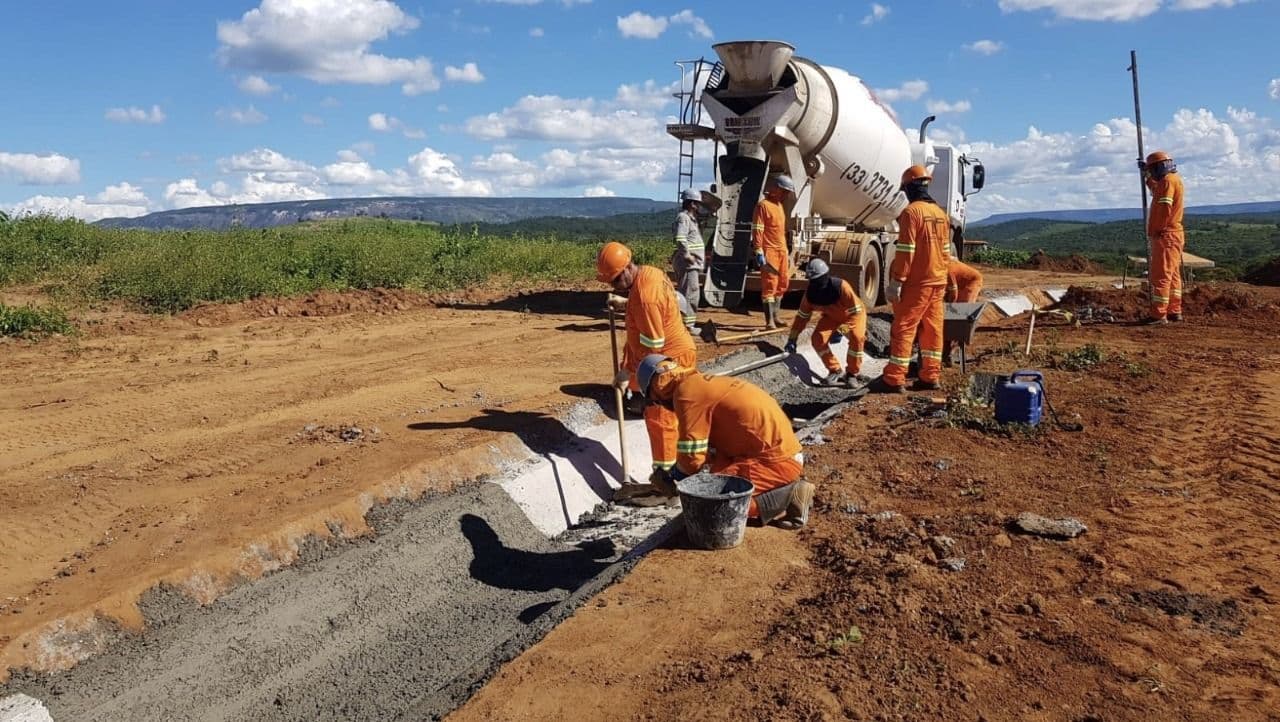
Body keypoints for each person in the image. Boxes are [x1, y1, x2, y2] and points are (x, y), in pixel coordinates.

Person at [635, 354, 814, 529]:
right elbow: (706, 450)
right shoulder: (699, 384)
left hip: (776, 461)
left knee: (710, 505)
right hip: (780, 452)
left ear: (656, 386)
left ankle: (791, 495)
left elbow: (692, 456)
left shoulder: (685, 393)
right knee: (714, 473)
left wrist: (674, 477)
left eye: (654, 399)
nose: (659, 404)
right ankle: (779, 489)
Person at [596, 241, 698, 483]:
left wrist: (628, 373)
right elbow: (658, 308)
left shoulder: (644, 297)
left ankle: (666, 481)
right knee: (677, 416)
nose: (614, 286)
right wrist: (626, 304)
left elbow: (653, 348)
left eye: (616, 281)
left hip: (666, 362)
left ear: (628, 269)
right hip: (676, 355)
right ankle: (682, 472)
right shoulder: (650, 273)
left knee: (661, 420)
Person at [880, 165, 951, 393]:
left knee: (904, 328)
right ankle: (930, 376)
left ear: (910, 188)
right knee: (933, 330)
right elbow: (946, 252)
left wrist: (897, 281)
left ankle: (894, 379)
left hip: (917, 283)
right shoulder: (941, 214)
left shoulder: (911, 213)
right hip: (937, 282)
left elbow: (906, 250)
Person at [783, 258, 868, 387]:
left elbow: (855, 312)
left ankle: (852, 374)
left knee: (857, 338)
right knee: (818, 339)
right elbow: (801, 318)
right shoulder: (810, 295)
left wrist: (842, 330)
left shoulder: (841, 287)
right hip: (832, 316)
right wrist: (792, 339)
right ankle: (835, 370)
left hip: (853, 314)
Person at [1140, 150, 1186, 324]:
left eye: (1152, 170)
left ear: (1159, 167)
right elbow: (1155, 189)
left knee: (1160, 275)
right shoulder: (1171, 180)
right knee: (1172, 275)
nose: (1152, 173)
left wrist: (1157, 230)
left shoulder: (1167, 181)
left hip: (1166, 235)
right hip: (1173, 234)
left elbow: (1164, 208)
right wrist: (1146, 177)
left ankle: (1159, 315)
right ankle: (1174, 311)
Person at [753, 174, 794, 330]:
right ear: (775, 189)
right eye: (784, 191)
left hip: (781, 250)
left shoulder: (779, 206)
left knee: (783, 283)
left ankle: (776, 317)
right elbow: (758, 229)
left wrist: (786, 251)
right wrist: (758, 250)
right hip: (769, 251)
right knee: (770, 284)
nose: (785, 195)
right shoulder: (763, 206)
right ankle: (769, 321)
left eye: (787, 192)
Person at [672, 188, 705, 331]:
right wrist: (687, 256)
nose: (700, 206)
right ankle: (687, 326)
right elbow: (680, 238)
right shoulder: (683, 218)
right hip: (688, 263)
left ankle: (686, 324)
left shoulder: (691, 220)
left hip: (691, 263)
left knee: (690, 293)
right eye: (698, 203)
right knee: (689, 294)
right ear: (692, 204)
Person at [943, 259, 984, 366]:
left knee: (959, 316)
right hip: (958, 282)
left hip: (971, 281)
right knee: (950, 315)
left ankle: (950, 352)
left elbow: (953, 294)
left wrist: (947, 308)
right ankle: (946, 348)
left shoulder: (945, 268)